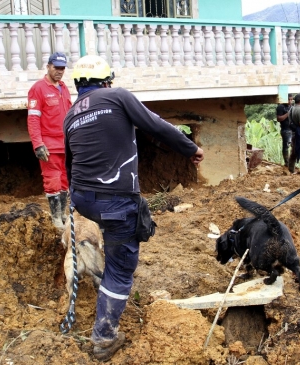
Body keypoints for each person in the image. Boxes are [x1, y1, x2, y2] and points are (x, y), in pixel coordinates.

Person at [63, 55, 204, 362]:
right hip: (114, 199)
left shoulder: (71, 114)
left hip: (85, 199)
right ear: (107, 81)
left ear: (78, 85)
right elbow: (156, 125)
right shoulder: (117, 96)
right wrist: (190, 148)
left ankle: (105, 273)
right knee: (121, 268)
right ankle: (104, 336)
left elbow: (70, 163)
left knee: (112, 229)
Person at [27, 52, 72, 229]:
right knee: (52, 180)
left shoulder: (64, 88)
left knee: (65, 180)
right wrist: (38, 144)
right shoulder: (38, 89)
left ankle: (62, 215)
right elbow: (33, 119)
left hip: (65, 145)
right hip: (49, 146)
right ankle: (55, 218)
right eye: (56, 68)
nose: (59, 71)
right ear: (48, 66)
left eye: (62, 68)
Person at [276, 94, 294, 166]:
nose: (290, 101)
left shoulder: (292, 107)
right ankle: (287, 162)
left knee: (293, 146)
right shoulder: (281, 107)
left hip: (292, 129)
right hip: (286, 129)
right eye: (288, 99)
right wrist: (288, 114)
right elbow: (279, 119)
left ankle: (291, 162)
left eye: (291, 100)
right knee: (286, 146)